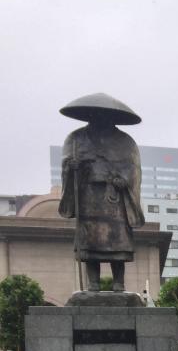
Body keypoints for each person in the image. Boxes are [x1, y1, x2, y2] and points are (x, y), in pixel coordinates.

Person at [57, 93, 145, 293]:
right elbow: (66, 163)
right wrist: (71, 167)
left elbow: (134, 169)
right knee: (90, 240)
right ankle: (93, 283)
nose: (99, 118)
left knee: (117, 239)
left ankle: (119, 282)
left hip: (114, 197)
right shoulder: (76, 139)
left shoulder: (125, 142)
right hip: (88, 196)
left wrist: (124, 180)